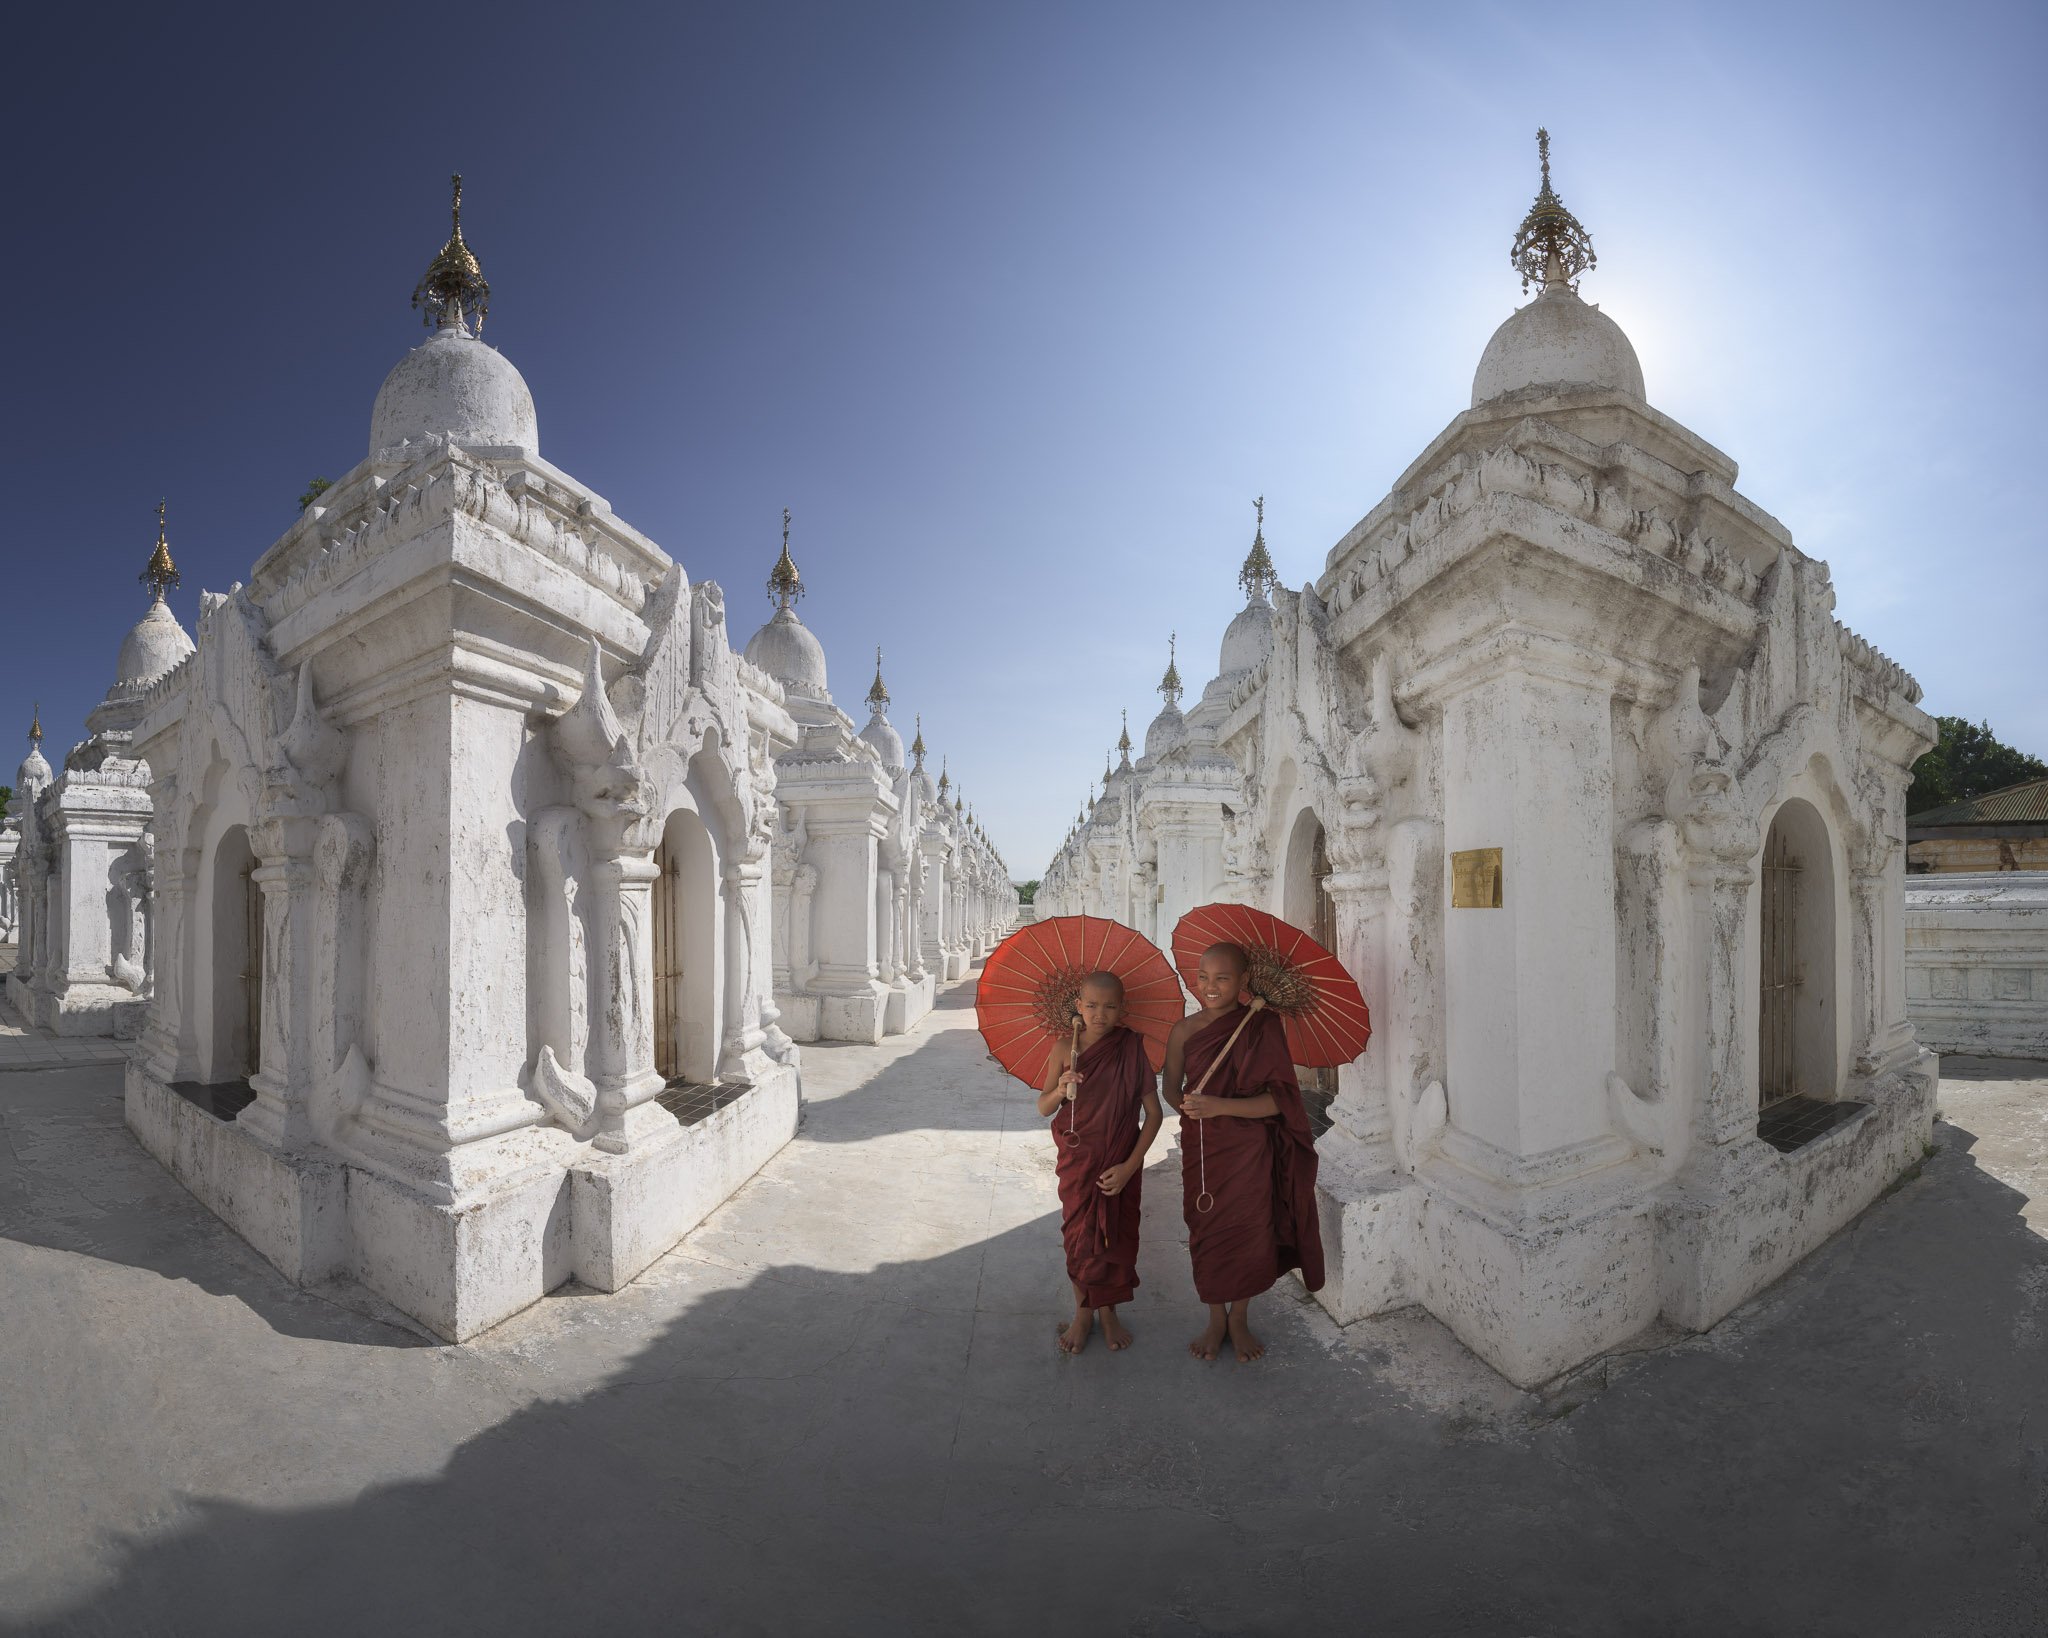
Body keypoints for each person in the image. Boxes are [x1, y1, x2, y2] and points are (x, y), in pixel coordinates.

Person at [1161, 942, 1324, 1363]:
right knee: (1207, 1228)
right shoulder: (1184, 1030)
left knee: (1250, 1231)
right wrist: (1184, 1103)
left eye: (1223, 978)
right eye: (1203, 977)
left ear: (1244, 981)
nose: (1210, 987)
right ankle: (1216, 1316)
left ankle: (1240, 1317)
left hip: (1249, 1149)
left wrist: (1220, 1106)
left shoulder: (1262, 1026)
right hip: (1203, 1146)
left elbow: (1279, 1102)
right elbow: (1170, 1086)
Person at [1037, 972, 1165, 1354]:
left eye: (1110, 1007)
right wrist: (1061, 1088)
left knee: (1116, 1238)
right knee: (1079, 1238)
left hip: (1120, 1162)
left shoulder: (1130, 1049)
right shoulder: (1064, 1048)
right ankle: (1082, 1312)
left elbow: (1154, 1114)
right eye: (1091, 1005)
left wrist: (1129, 1167)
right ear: (1078, 1007)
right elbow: (1044, 1107)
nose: (1100, 1014)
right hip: (1079, 1160)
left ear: (1122, 1009)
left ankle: (1108, 1312)